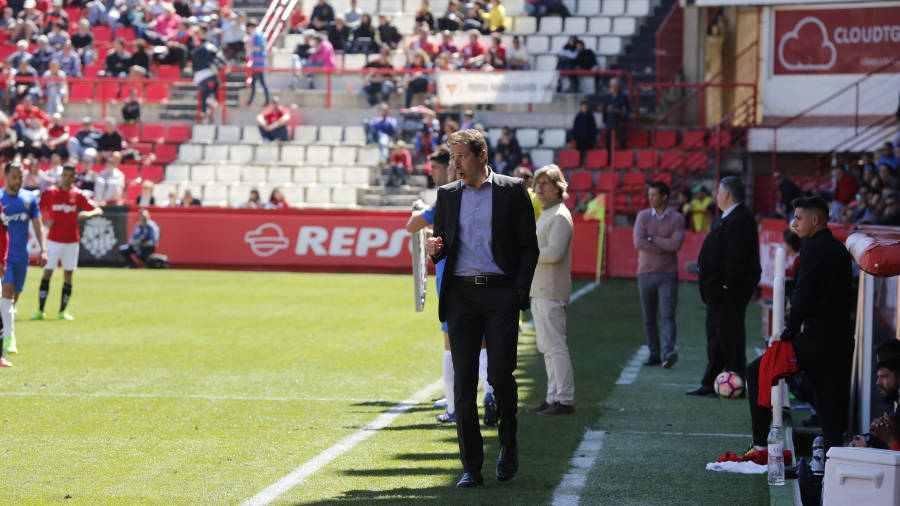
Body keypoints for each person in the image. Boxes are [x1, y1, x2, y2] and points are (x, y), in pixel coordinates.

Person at [425, 129, 539, 488]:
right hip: (460, 296)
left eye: (461, 155)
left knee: (501, 377)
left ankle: (507, 445)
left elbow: (528, 248)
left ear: (481, 156)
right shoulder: (446, 195)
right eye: (452, 156)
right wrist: (435, 249)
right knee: (463, 384)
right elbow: (444, 245)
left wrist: (518, 292)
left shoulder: (512, 190)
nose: (455, 163)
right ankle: (471, 466)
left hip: (500, 294)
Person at [745, 196, 853, 454]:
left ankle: (761, 446)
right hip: (840, 341)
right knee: (830, 413)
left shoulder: (813, 249)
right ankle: (832, 471)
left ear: (815, 221)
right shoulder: (839, 249)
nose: (794, 223)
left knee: (757, 371)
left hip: (814, 340)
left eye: (799, 218)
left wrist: (787, 333)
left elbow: (805, 296)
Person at [686, 176, 760, 396]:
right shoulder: (732, 217)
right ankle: (710, 381)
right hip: (719, 293)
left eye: (718, 192)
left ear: (726, 194)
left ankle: (735, 381)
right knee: (717, 337)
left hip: (727, 294)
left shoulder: (739, 220)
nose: (715, 196)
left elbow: (736, 260)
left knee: (730, 337)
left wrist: (725, 288)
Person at [528, 164, 574, 415]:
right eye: (538, 183)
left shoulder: (559, 216)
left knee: (555, 346)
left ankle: (564, 398)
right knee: (547, 347)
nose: (539, 188)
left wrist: (527, 254)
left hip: (551, 289)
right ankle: (553, 396)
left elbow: (555, 253)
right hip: (542, 288)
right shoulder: (548, 213)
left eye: (545, 183)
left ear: (558, 188)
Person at [33, 163, 103, 321]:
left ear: (74, 178)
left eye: (69, 176)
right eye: (63, 175)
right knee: (47, 272)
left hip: (72, 241)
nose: (65, 178)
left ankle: (62, 311)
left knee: (68, 274)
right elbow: (36, 209)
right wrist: (45, 221)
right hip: (53, 240)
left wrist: (88, 214)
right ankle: (40, 310)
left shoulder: (78, 195)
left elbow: (98, 209)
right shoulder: (50, 192)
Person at [634, 182, 685, 368]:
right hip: (646, 273)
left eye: (654, 195)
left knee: (667, 315)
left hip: (667, 274)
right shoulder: (643, 216)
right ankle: (654, 354)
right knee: (649, 317)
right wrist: (664, 245)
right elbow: (638, 242)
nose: (650, 198)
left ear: (664, 197)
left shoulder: (678, 219)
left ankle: (668, 352)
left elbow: (676, 245)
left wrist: (652, 239)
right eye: (650, 194)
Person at [0, 162, 46, 355]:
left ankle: (6, 326)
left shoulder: (29, 198)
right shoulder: (0, 198)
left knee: (13, 298)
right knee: (7, 295)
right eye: (14, 177)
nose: (18, 181)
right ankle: (9, 340)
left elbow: (37, 224)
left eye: (20, 177)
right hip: (4, 256)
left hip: (21, 255)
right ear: (5, 176)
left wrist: (43, 249)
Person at [245, 19, 270, 106]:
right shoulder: (257, 35)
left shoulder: (257, 35)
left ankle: (267, 101)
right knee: (254, 82)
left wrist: (249, 46)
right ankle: (251, 101)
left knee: (261, 82)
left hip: (258, 63)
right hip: (257, 62)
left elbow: (259, 48)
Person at [601, 78, 629, 152]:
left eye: (613, 85)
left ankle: (621, 152)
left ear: (618, 86)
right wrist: (603, 109)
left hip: (620, 121)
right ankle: (609, 154)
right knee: (608, 139)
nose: (611, 87)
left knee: (621, 140)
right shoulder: (608, 97)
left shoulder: (623, 97)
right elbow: (605, 108)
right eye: (610, 85)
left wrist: (614, 109)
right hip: (609, 122)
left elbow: (624, 111)